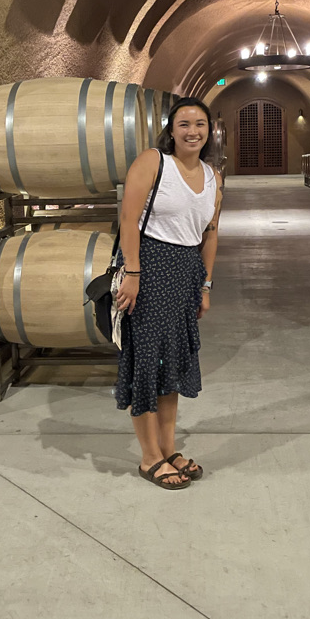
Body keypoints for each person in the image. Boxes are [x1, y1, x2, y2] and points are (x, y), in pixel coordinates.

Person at [114, 97, 223, 490]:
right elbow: (128, 219)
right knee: (146, 362)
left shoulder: (213, 177)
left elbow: (211, 234)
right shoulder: (153, 162)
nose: (193, 132)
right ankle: (149, 458)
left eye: (200, 124)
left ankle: (168, 448)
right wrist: (133, 272)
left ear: (209, 130)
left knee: (171, 363)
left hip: (185, 272)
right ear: (171, 130)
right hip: (150, 266)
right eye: (184, 125)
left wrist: (205, 285)